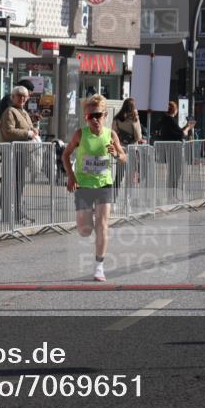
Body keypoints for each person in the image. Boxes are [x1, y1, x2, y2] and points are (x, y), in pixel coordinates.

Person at [62, 94, 128, 281]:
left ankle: (99, 266)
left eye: (98, 115)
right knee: (85, 230)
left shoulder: (111, 135)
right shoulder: (80, 134)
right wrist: (71, 176)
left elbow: (124, 158)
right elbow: (66, 155)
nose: (95, 119)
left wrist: (116, 154)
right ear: (86, 118)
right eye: (91, 116)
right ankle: (87, 218)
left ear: (105, 115)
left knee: (102, 226)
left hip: (104, 184)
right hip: (83, 185)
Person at [0, 85, 39, 223]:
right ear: (13, 97)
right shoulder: (10, 111)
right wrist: (27, 133)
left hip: (22, 153)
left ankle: (18, 212)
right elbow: (8, 132)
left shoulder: (24, 112)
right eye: (19, 95)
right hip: (12, 153)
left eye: (25, 96)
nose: (22, 98)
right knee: (12, 184)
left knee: (19, 184)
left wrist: (33, 130)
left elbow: (27, 127)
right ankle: (10, 214)